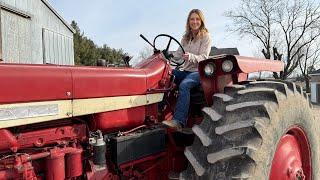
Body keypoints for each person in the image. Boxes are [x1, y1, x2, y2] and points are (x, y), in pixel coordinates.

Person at [162, 9, 212, 131]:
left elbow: (204, 58)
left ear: (201, 21)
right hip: (185, 71)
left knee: (184, 85)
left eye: (197, 19)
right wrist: (166, 55)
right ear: (188, 22)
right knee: (164, 77)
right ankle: (158, 111)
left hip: (198, 72)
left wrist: (191, 57)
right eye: (192, 19)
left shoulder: (206, 37)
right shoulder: (186, 37)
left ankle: (179, 121)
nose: (194, 21)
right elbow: (178, 54)